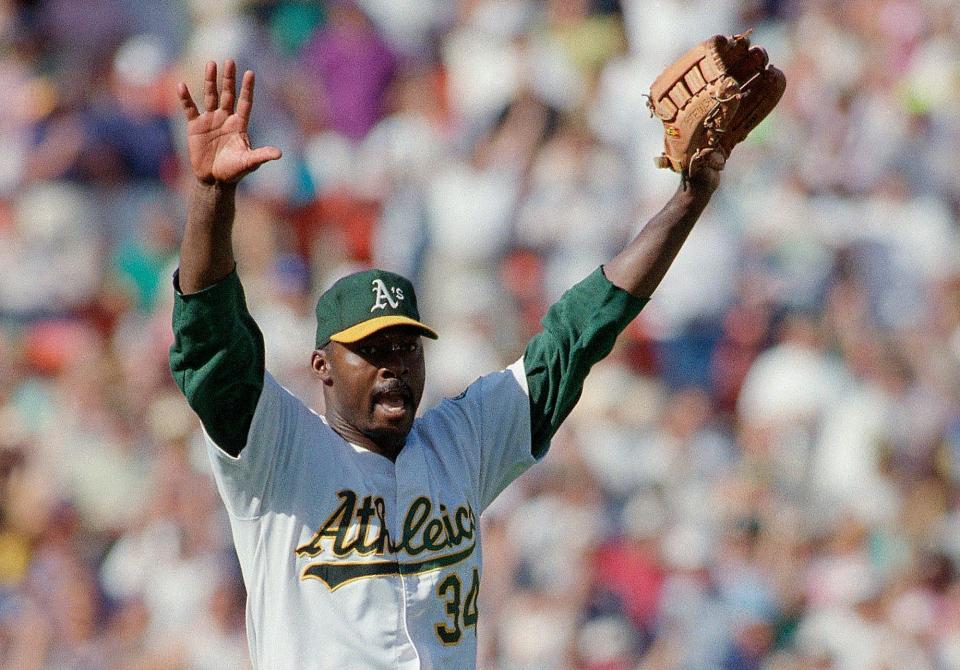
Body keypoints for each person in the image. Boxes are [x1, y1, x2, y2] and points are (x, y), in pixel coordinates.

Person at [170, 59, 725, 669]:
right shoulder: (277, 451)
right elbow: (212, 343)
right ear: (323, 366)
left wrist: (688, 200)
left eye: (405, 347)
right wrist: (211, 198)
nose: (393, 365)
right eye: (371, 350)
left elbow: (578, 334)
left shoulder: (461, 443)